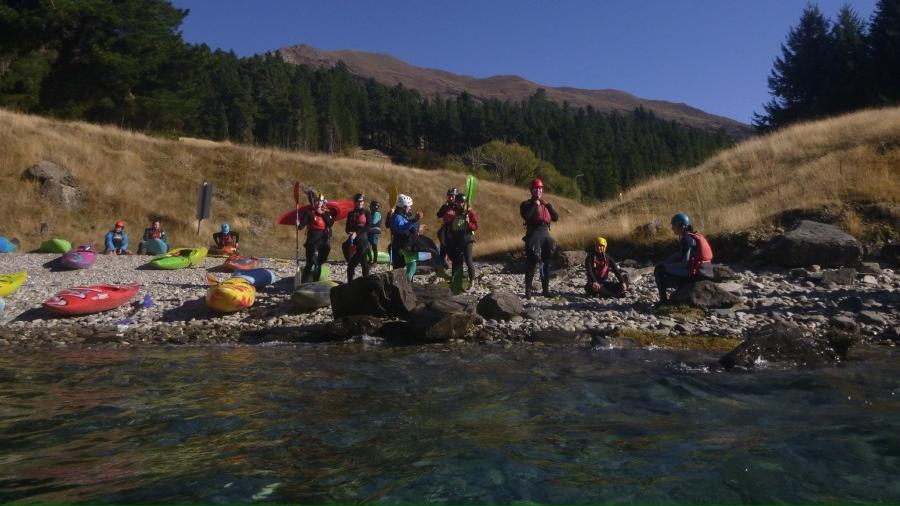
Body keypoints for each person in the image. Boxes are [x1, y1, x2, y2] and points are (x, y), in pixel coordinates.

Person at [654, 213, 714, 304]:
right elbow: (681, 255)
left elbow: (684, 263)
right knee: (663, 266)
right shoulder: (693, 236)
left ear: (681, 226)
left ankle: (663, 301)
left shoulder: (686, 239)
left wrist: (665, 266)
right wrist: (667, 262)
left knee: (659, 269)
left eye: (673, 225)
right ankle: (680, 292)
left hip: (696, 273)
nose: (672, 228)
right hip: (705, 270)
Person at [519, 178, 558, 299]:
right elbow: (527, 216)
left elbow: (555, 217)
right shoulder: (525, 204)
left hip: (545, 234)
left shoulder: (546, 204)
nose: (538, 191)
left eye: (540, 188)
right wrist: (534, 205)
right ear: (531, 190)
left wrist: (548, 206)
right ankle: (528, 291)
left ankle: (545, 290)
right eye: (536, 189)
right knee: (531, 264)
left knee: (546, 263)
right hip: (533, 234)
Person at [298, 193, 335, 283]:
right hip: (312, 240)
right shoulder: (309, 212)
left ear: (323, 202)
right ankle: (303, 284)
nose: (318, 203)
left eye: (320, 201)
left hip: (323, 239)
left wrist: (322, 214)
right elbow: (301, 226)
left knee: (319, 263)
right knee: (311, 263)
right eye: (317, 201)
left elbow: (330, 223)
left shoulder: (326, 212)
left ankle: (315, 283)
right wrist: (298, 223)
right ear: (314, 202)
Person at [446, 193, 478, 290]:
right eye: (458, 202)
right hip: (457, 240)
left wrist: (468, 222)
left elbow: (475, 226)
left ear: (465, 203)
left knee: (468, 261)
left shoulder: (470, 212)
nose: (460, 204)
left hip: (467, 240)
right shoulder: (456, 212)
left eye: (462, 202)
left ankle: (472, 282)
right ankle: (455, 281)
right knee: (456, 262)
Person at [343, 193, 372, 282]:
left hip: (362, 237)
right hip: (353, 238)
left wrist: (357, 232)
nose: (360, 203)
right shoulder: (351, 213)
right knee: (345, 247)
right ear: (355, 202)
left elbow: (368, 226)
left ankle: (365, 280)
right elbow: (347, 228)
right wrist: (350, 232)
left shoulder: (367, 212)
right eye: (358, 201)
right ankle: (350, 281)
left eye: (361, 201)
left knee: (363, 261)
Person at [436, 187, 459, 267]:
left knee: (452, 244)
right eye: (449, 196)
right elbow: (438, 215)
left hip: (456, 227)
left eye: (453, 196)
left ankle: (453, 260)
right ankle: (442, 261)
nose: (451, 197)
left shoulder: (459, 206)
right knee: (442, 239)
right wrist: (444, 209)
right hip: (446, 226)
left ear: (456, 196)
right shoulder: (446, 205)